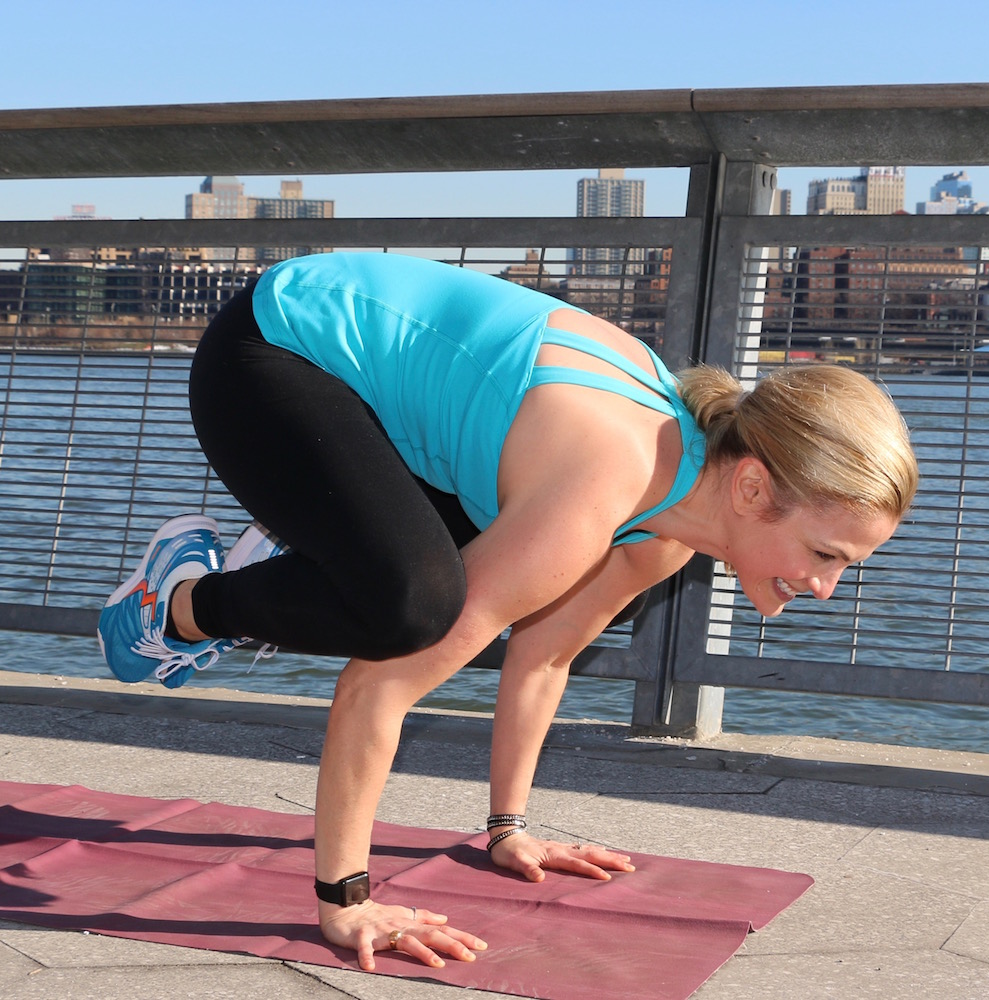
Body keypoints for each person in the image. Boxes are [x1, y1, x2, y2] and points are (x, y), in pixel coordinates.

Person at [98, 251, 918, 972]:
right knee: (410, 609)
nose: (825, 587)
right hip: (272, 347)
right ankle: (182, 604)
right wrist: (346, 901)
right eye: (826, 555)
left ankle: (298, 565)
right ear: (752, 487)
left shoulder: (669, 525)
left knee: (432, 587)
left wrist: (507, 829)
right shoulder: (602, 489)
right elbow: (379, 689)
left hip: (394, 418)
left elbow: (548, 652)